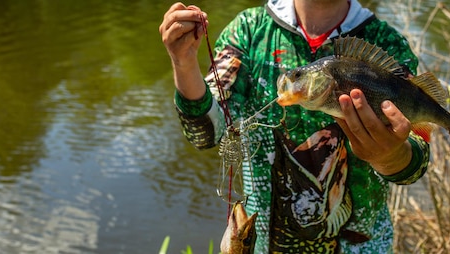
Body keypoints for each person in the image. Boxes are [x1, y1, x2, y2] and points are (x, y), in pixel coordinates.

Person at [159, 0, 430, 252]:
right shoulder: (250, 31)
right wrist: (184, 65)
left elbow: (414, 165)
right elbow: (209, 133)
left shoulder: (386, 43)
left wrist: (390, 156)